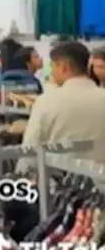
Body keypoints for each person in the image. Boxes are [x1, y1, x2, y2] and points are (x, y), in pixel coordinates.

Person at [19, 42, 105, 170]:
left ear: (63, 67)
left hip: (59, 179)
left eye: (52, 66)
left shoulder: (46, 101)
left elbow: (29, 155)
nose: (51, 72)